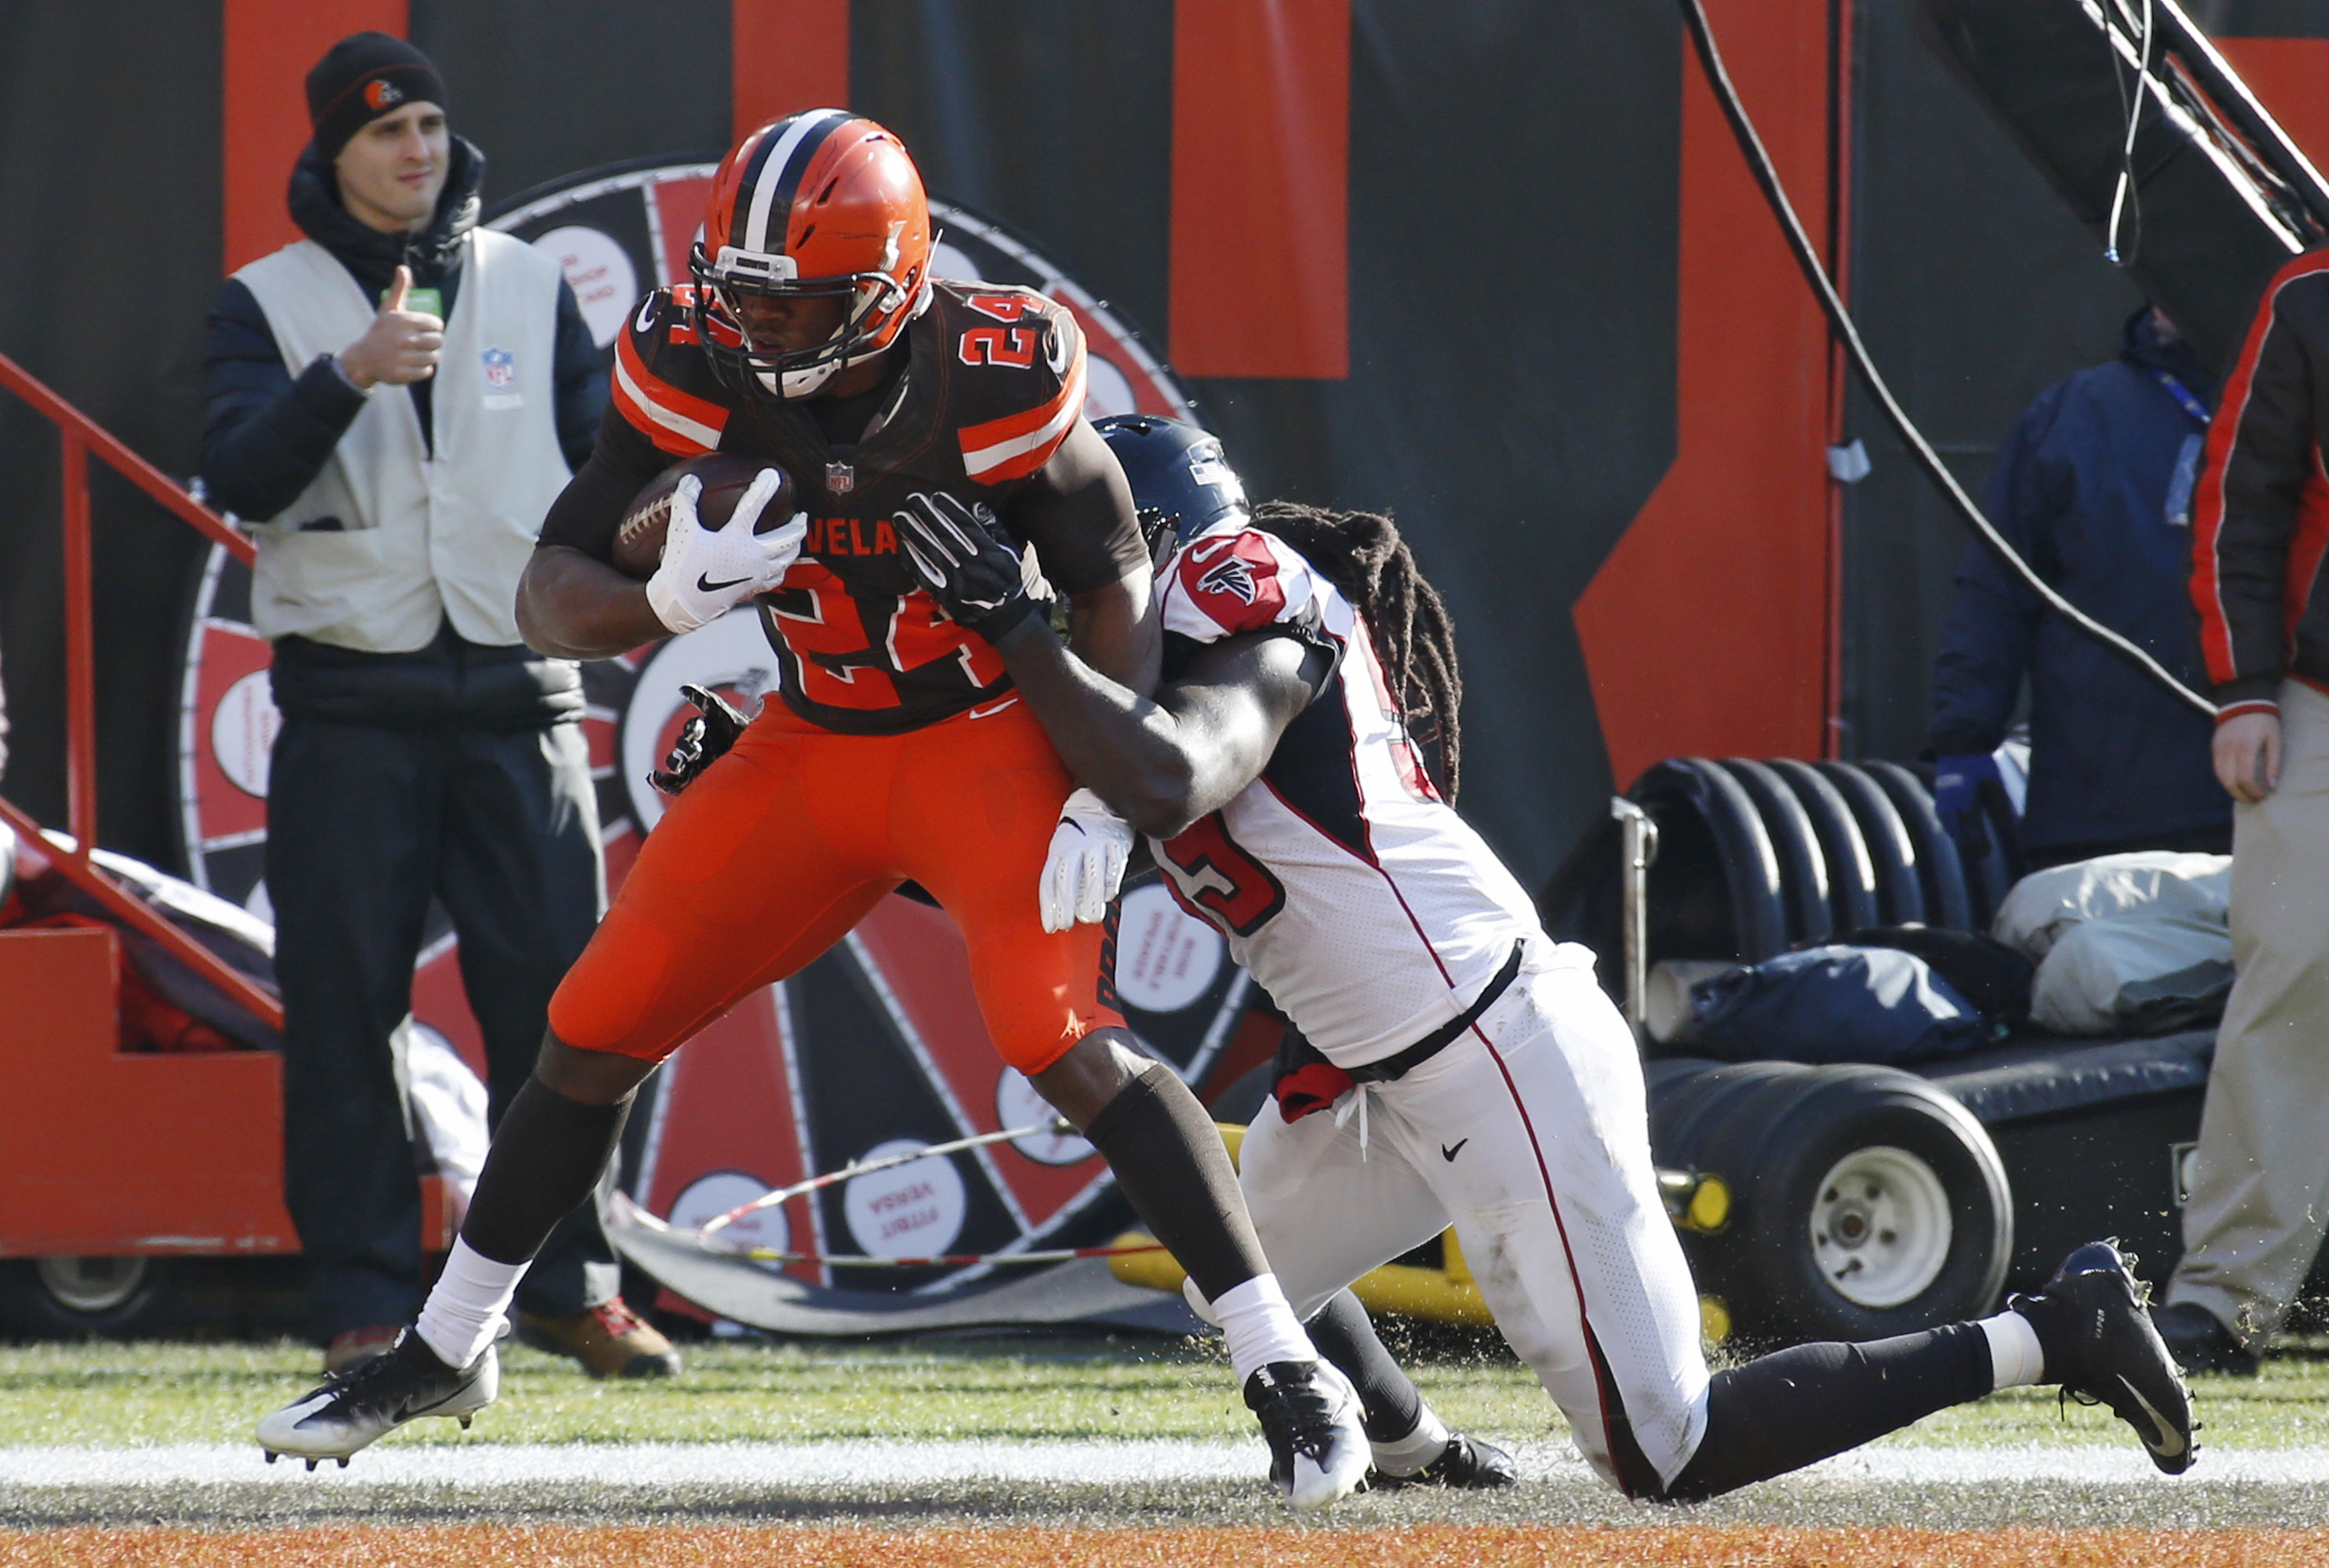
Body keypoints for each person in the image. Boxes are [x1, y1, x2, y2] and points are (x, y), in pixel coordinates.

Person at [256, 110, 1372, 1511]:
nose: (762, 325)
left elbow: (1112, 567)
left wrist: (1102, 767)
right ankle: (447, 1340)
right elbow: (546, 588)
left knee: (1057, 1034)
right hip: (810, 741)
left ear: (894, 283)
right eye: (745, 291)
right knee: (593, 1020)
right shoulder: (692, 349)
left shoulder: (995, 365)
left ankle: (1283, 1364)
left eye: (796, 299)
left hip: (982, 743)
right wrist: (662, 599)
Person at [904, 414, 2198, 1499]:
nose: (1080, 594)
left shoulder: (1241, 598)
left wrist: (1021, 629)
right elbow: (1056, 856)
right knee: (1236, 1271)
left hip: (1496, 1049)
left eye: (1089, 562)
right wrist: (862, 855)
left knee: (1662, 1451)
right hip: (1382, 1076)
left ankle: (2052, 1328)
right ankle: (1411, 1445)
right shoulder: (1142, 677)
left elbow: (1168, 769)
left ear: (1165, 538)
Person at [200, 32, 674, 1379]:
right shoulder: (266, 299)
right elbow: (236, 472)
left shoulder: (529, 281)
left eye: (424, 124)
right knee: (346, 1008)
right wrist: (345, 372)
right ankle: (361, 1294)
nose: (414, 149)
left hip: (522, 694)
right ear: (330, 157)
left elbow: (605, 470)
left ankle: (573, 1284)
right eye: (381, 131)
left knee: (572, 1006)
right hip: (349, 701)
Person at [2153, 250, 2329, 1378]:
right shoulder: (2307, 297)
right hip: (2313, 706)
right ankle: (2226, 1300)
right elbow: (2236, 503)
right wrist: (2244, 691)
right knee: (2290, 981)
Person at [1927, 305, 2230, 869]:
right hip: (2099, 807)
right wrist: (1963, 740)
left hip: (2263, 799)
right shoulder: (2075, 414)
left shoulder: (2292, 403)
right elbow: (1995, 591)